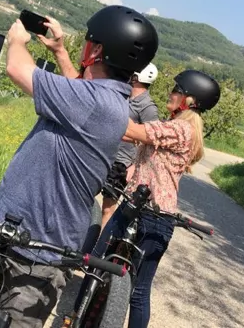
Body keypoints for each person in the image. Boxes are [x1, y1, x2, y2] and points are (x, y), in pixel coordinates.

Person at [0, 5, 159, 328]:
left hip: (33, 259)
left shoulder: (95, 104)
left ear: (98, 50)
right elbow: (79, 87)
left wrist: (17, 40)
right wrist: (62, 52)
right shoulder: (106, 101)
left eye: (89, 42)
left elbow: (17, 70)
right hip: (10, 239)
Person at [90, 69, 221, 328]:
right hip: (135, 206)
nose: (171, 94)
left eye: (177, 91)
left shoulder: (182, 130)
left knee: (135, 290)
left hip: (153, 217)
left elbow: (134, 131)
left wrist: (105, 96)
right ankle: (83, 315)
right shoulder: (172, 126)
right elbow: (129, 134)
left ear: (190, 101)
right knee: (99, 262)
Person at [100, 63, 160, 230]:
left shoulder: (148, 108)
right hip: (103, 153)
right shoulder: (124, 95)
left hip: (121, 162)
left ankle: (95, 248)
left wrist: (134, 166)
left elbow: (151, 141)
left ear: (137, 77)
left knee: (108, 207)